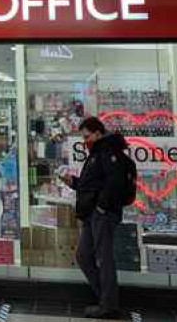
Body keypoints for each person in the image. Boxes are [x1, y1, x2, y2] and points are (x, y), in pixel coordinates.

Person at [69, 116, 128, 320]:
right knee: (83, 256)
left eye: (87, 136)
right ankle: (105, 298)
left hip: (102, 214)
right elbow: (92, 185)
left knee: (104, 259)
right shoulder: (97, 152)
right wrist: (72, 182)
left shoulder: (108, 151)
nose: (85, 141)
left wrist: (101, 207)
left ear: (97, 133)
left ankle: (109, 305)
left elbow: (115, 181)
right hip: (92, 214)